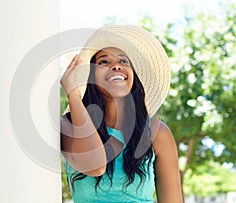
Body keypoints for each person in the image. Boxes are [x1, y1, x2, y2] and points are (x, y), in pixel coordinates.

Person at [60, 25, 183, 203]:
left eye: (124, 61)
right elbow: (95, 166)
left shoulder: (157, 132)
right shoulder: (69, 125)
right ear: (91, 76)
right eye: (104, 62)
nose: (116, 66)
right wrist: (73, 95)